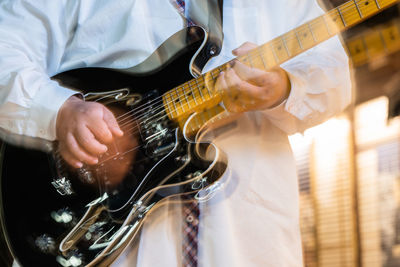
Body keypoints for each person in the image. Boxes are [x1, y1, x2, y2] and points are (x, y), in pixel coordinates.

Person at [0, 0, 351, 266]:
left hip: (247, 235)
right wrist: (59, 110)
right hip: (115, 231)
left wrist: (284, 88)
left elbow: (334, 73)